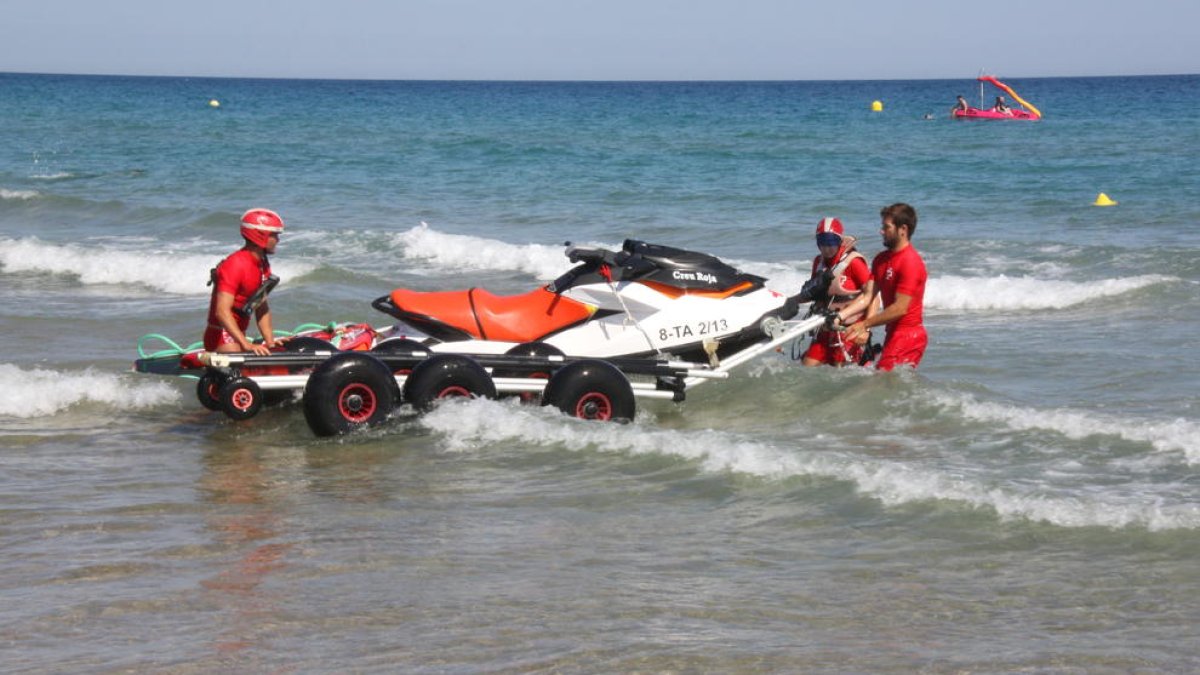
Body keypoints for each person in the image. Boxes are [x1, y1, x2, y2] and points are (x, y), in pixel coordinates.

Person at [840, 203, 928, 371]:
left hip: (910, 336)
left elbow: (899, 309)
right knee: (885, 386)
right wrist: (840, 317)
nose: (881, 231)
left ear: (903, 229)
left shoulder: (911, 262)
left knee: (882, 383)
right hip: (893, 334)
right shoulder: (881, 259)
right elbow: (868, 296)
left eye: (886, 227)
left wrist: (864, 324)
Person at [203, 208, 285, 355]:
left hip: (238, 335)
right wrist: (246, 344)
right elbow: (221, 311)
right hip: (221, 335)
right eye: (274, 235)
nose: (278, 240)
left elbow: (261, 306)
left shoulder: (262, 264)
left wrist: (270, 341)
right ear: (261, 235)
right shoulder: (235, 265)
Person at [797, 217, 874, 367]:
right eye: (822, 241)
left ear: (840, 240)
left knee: (842, 373)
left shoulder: (854, 263)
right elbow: (812, 293)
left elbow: (873, 296)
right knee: (806, 368)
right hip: (825, 330)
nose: (826, 247)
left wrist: (866, 329)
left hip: (850, 331)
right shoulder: (818, 263)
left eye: (831, 241)